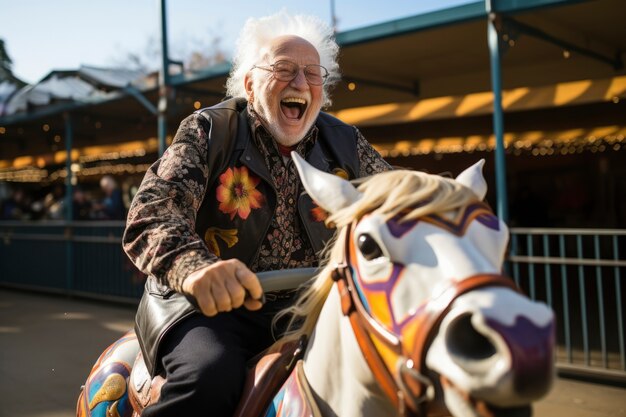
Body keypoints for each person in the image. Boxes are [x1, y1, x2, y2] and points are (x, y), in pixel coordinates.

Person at [123, 11, 391, 417]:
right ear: (250, 84)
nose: (300, 83)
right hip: (208, 310)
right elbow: (152, 212)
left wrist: (451, 206)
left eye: (311, 73)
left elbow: (398, 200)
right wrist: (195, 269)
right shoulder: (209, 130)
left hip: (308, 307)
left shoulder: (346, 143)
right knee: (210, 379)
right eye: (284, 69)